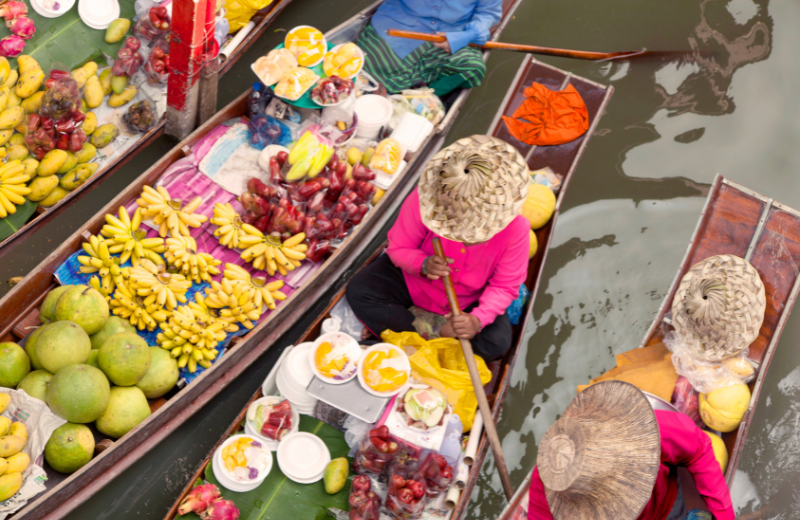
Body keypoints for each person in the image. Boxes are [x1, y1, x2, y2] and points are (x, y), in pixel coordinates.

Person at [346, 135, 530, 360]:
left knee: (496, 344)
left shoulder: (517, 229)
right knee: (360, 290)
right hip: (415, 285)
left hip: (468, 302)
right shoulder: (427, 199)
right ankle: (436, 333)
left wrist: (477, 320)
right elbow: (398, 248)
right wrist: (421, 264)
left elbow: (505, 286)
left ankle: (406, 332)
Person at [527, 380, 735, 520]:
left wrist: (724, 515)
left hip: (666, 502)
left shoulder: (649, 431)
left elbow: (698, 449)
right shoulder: (555, 476)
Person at [356, 0, 502, 97]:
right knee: (365, 65)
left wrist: (470, 34)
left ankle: (422, 98)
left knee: (473, 67)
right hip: (401, 20)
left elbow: (488, 13)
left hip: (453, 30)